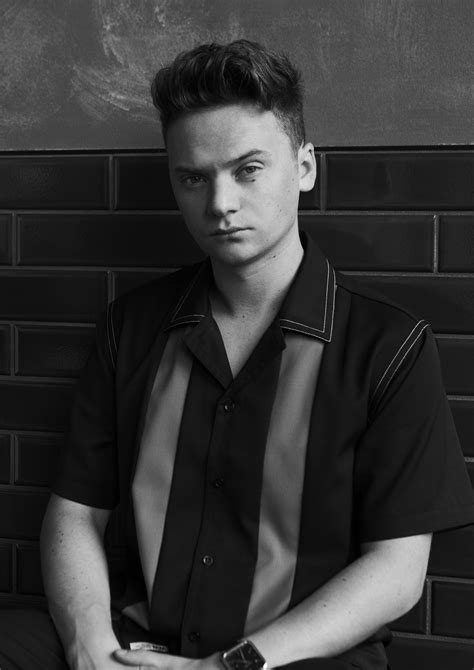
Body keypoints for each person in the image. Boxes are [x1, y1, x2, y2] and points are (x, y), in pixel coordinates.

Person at [1, 39, 473, 670]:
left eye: (248, 170)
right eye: (193, 178)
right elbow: (76, 515)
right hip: (140, 644)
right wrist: (89, 647)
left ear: (304, 167)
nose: (219, 204)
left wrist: (231, 666)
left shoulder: (388, 347)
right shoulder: (132, 328)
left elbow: (397, 571)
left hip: (298, 657)